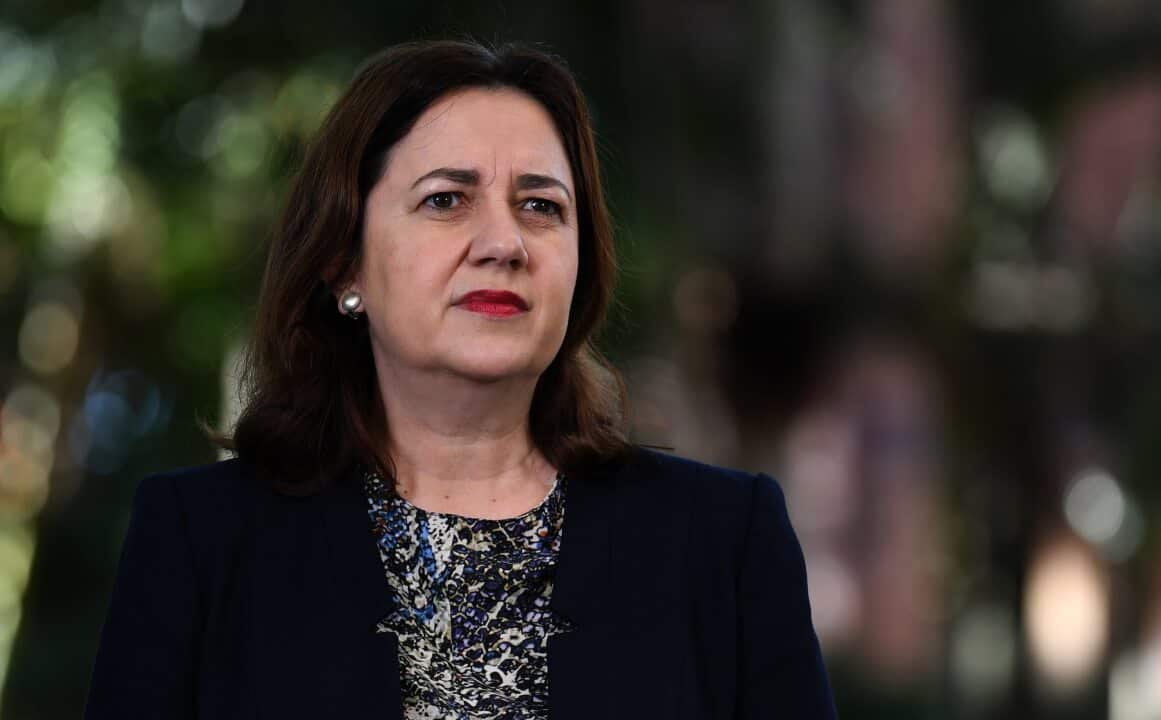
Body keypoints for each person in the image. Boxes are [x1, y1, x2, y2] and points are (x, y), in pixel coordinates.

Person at [84, 39, 836, 720]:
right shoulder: (199, 541)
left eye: (541, 206)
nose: (504, 242)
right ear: (345, 263)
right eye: (446, 200)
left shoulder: (725, 540)